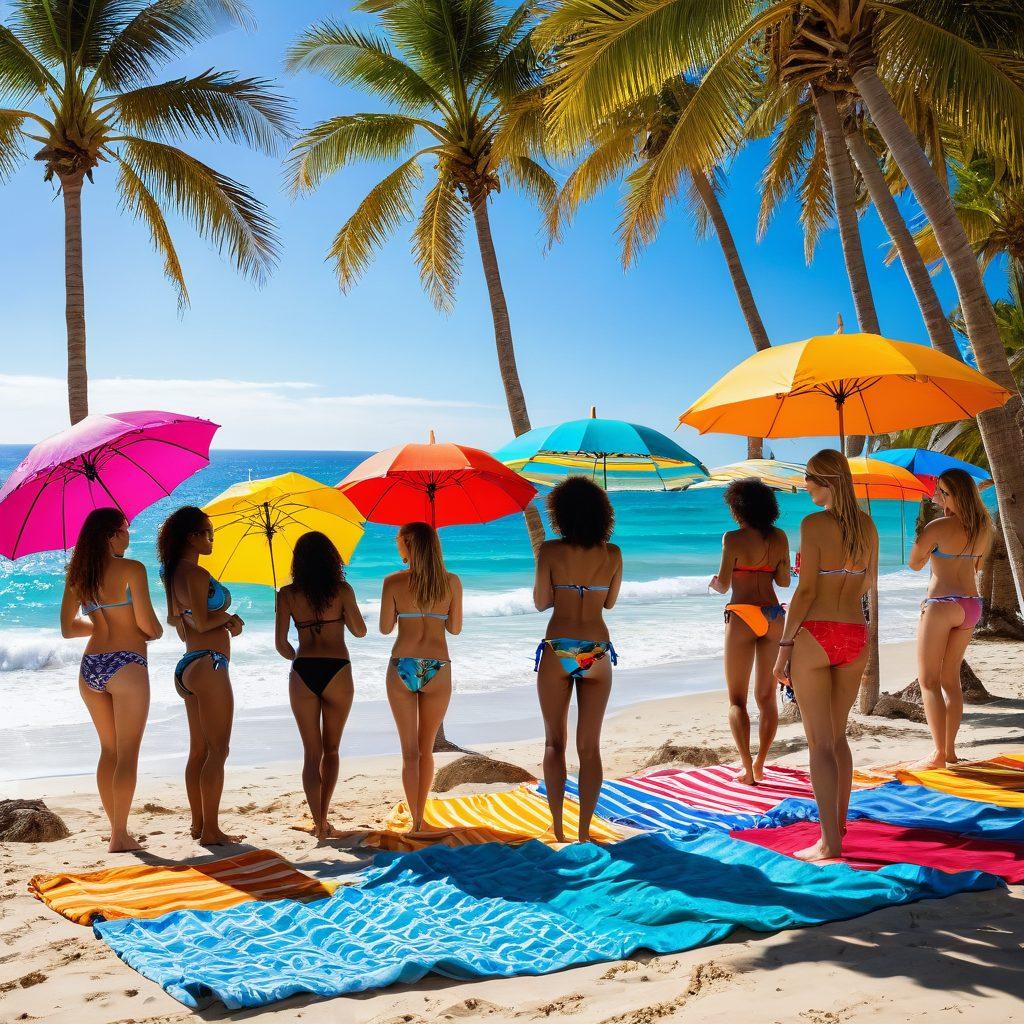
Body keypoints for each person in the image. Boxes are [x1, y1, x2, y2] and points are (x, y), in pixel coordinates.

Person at [773, 450, 878, 862]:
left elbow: (806, 591)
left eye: (810, 479)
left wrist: (784, 646)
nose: (806, 487)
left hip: (815, 634)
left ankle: (829, 841)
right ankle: (839, 825)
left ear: (827, 482)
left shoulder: (813, 524)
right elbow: (868, 583)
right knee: (837, 737)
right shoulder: (868, 526)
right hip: (855, 633)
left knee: (818, 743)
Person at [60, 508, 162, 852]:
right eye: (125, 529)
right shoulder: (133, 568)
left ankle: (116, 829)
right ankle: (120, 836)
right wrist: (153, 631)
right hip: (127, 663)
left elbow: (68, 628)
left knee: (109, 751)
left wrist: (102, 626)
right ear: (110, 536)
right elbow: (149, 626)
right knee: (128, 754)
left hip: (91, 666)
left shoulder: (78, 575)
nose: (128, 535)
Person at [534, 476, 622, 843]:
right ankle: (585, 832)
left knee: (554, 743)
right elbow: (609, 603)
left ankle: (558, 829)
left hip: (559, 646)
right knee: (590, 746)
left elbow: (541, 602)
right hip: (596, 649)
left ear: (560, 513)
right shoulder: (612, 553)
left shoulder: (550, 551)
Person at [158, 506, 245, 846]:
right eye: (208, 534)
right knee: (218, 750)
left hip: (189, 664)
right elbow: (204, 621)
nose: (211, 540)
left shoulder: (171, 574)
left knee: (198, 751)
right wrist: (229, 619)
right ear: (191, 537)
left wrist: (217, 620)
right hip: (211, 664)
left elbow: (178, 622)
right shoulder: (195, 573)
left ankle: (198, 825)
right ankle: (210, 831)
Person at [275, 531, 366, 839]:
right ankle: (325, 816)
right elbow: (360, 631)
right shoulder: (342, 590)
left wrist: (299, 653)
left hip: (303, 670)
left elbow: (282, 646)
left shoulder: (286, 594)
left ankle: (318, 823)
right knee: (332, 750)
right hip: (337, 669)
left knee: (311, 754)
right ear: (331, 559)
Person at [379, 522, 462, 834]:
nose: (396, 543)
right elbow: (454, 628)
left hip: (403, 664)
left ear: (407, 543)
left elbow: (385, 628)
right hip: (437, 666)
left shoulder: (393, 582)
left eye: (398, 539)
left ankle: (415, 820)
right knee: (425, 750)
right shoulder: (451, 581)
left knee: (409, 751)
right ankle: (421, 819)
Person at [908, 468, 993, 768]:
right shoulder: (984, 528)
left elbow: (914, 563)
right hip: (971, 605)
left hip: (942, 604)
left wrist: (924, 536)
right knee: (950, 681)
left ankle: (938, 754)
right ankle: (950, 751)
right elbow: (976, 567)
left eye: (943, 492)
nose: (939, 497)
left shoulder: (937, 527)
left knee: (928, 681)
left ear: (955, 495)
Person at [710, 479, 790, 784]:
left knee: (737, 700)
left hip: (742, 614)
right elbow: (783, 581)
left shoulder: (732, 538)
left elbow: (724, 585)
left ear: (737, 507)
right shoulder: (779, 537)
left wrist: (713, 582)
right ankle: (760, 764)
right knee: (766, 697)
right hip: (773, 615)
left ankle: (746, 768)